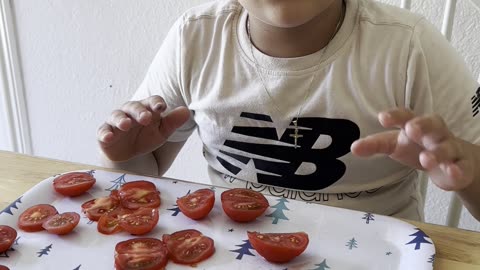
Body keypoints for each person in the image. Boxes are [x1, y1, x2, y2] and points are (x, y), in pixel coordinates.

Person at [97, 0, 480, 222]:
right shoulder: (194, 38)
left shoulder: (409, 47)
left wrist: (468, 174)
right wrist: (122, 157)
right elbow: (145, 171)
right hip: (234, 251)